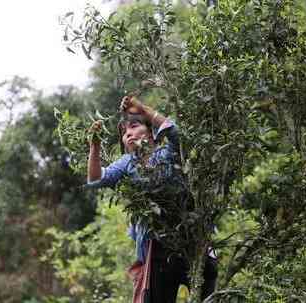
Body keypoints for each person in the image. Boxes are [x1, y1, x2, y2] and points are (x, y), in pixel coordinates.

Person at [86, 96, 217, 303]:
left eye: (134, 126)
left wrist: (143, 110)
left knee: (207, 293)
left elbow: (177, 134)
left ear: (151, 133)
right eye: (124, 133)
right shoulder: (128, 163)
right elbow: (96, 179)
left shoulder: (168, 152)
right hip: (159, 249)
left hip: (193, 240)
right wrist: (94, 145)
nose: (128, 134)